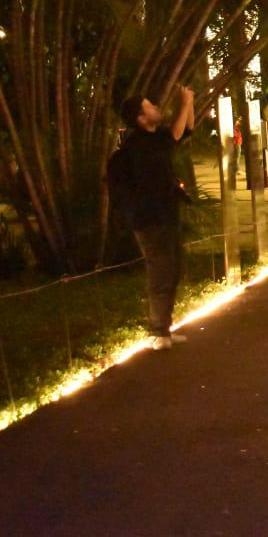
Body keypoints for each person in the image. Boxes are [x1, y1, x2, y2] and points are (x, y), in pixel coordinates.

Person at [109, 87, 195, 350]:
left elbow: (185, 130)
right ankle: (157, 331)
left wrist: (190, 103)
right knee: (160, 273)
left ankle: (164, 329)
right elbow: (176, 134)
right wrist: (186, 101)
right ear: (140, 118)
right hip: (149, 219)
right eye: (150, 107)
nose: (156, 108)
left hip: (165, 215)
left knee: (173, 271)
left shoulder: (155, 137)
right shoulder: (140, 145)